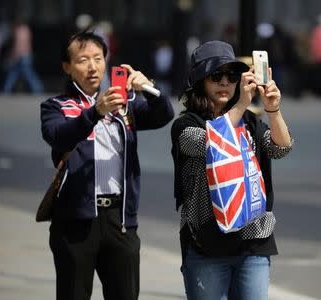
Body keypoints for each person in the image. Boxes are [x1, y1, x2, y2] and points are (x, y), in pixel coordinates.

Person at [40, 31, 174, 300]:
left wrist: (148, 88)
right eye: (82, 60)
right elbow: (57, 135)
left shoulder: (124, 105)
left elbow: (163, 116)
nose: (92, 67)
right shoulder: (55, 106)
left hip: (120, 220)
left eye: (98, 58)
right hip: (75, 222)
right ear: (67, 67)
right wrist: (95, 112)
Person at [171, 40, 293, 299]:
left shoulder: (249, 121)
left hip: (254, 240)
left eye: (231, 75)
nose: (225, 82)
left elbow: (281, 148)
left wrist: (273, 108)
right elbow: (211, 142)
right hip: (207, 243)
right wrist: (240, 105)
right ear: (200, 80)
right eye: (216, 75)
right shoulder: (186, 125)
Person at [2, 20, 43, 93]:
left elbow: (18, 45)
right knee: (14, 73)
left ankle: (37, 88)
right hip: (27, 54)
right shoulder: (26, 30)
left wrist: (14, 55)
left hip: (22, 55)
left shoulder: (19, 30)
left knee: (25, 73)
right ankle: (6, 89)